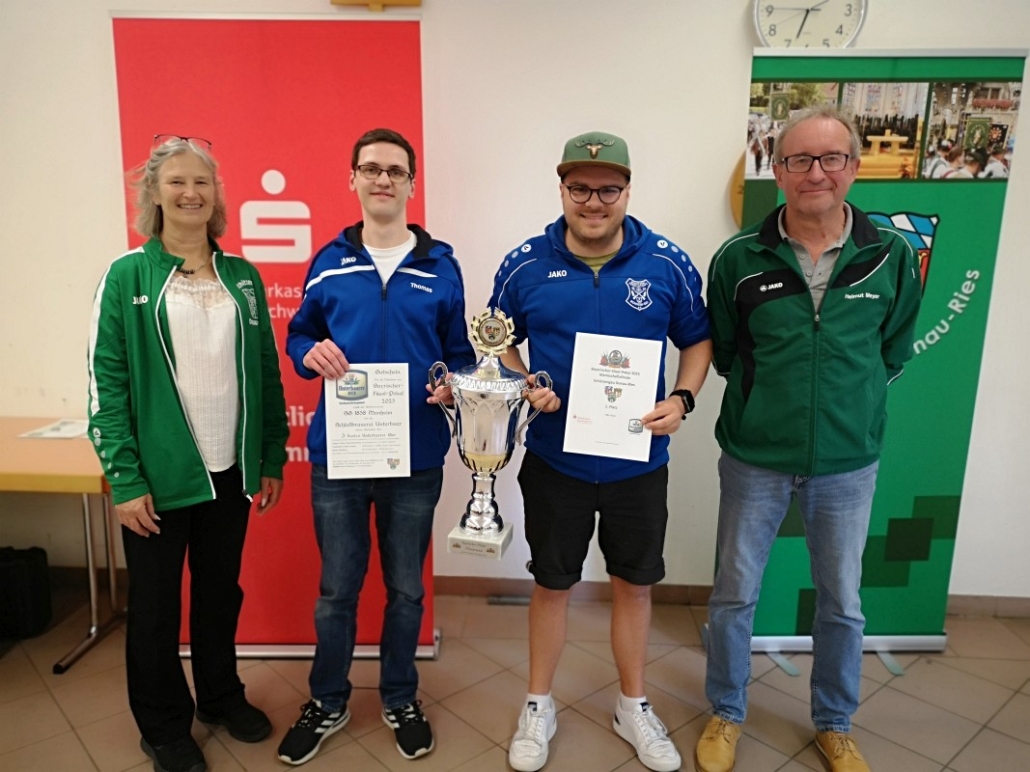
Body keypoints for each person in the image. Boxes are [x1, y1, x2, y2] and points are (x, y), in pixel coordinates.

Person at [697, 105, 922, 772]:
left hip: (848, 462)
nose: (815, 172)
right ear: (778, 169)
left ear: (853, 166)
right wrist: (772, 407)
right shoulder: (739, 258)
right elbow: (728, 353)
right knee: (734, 594)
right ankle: (726, 711)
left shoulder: (891, 255)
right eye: (799, 159)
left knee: (843, 603)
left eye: (831, 158)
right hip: (754, 458)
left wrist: (849, 410)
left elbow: (894, 348)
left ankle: (834, 722)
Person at [490, 132, 713, 772]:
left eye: (608, 188)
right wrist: (524, 383)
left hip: (637, 463)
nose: (594, 201)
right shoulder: (525, 264)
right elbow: (497, 339)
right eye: (580, 188)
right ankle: (538, 703)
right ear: (562, 189)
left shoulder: (666, 263)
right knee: (552, 585)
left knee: (634, 587)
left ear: (627, 191)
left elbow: (697, 340)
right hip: (555, 460)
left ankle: (632, 704)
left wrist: (683, 399)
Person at [87, 135, 289, 772]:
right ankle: (163, 726)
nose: (190, 192)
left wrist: (270, 456)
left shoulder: (242, 277)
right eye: (176, 181)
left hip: (228, 472)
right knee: (153, 610)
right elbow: (106, 382)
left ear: (216, 195)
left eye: (201, 181)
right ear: (153, 192)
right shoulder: (128, 275)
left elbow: (265, 372)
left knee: (219, 594)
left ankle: (220, 696)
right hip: (158, 478)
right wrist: (124, 480)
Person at [278, 128, 475, 766]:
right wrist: (309, 352)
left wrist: (451, 385)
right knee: (337, 589)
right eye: (371, 169)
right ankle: (327, 700)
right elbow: (299, 335)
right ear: (354, 179)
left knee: (406, 590)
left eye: (395, 170)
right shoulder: (329, 261)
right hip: (341, 455)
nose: (383, 179)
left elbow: (460, 355)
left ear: (412, 183)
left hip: (414, 456)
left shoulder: (441, 265)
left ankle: (400, 696)